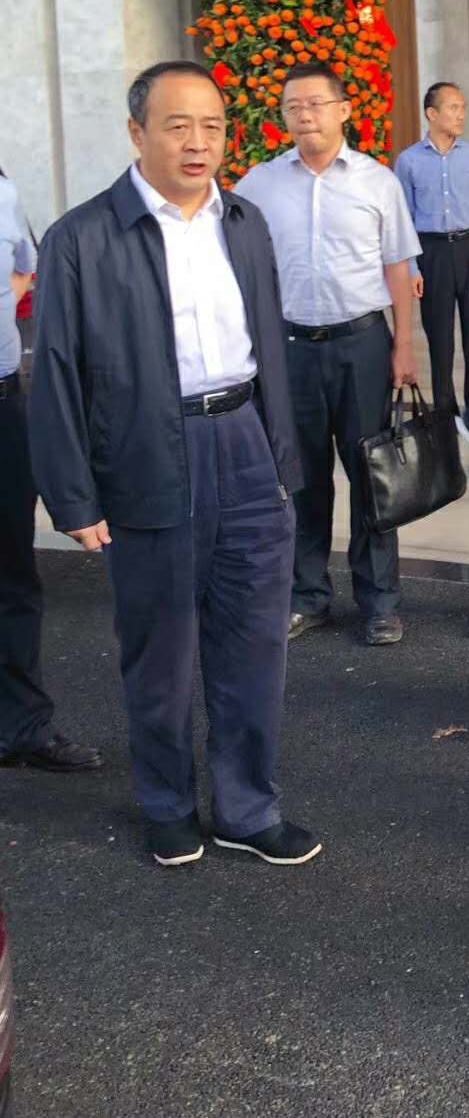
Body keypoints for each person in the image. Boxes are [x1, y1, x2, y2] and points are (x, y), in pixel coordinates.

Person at [29, 61, 320, 868]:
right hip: (147, 451)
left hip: (246, 444)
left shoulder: (245, 222)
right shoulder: (82, 238)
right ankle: (167, 803)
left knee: (254, 645)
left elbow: (270, 348)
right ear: (137, 133)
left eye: (213, 126)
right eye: (178, 125)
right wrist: (73, 496)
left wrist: (281, 459)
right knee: (159, 649)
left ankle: (248, 808)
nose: (199, 143)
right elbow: (55, 373)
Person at [235, 65, 419, 648]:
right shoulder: (259, 184)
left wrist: (404, 346)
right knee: (302, 477)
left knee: (373, 475)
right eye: (293, 106)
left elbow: (398, 268)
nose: (304, 114)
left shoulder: (377, 182)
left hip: (362, 345)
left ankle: (380, 601)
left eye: (315, 103)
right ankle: (307, 596)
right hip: (290, 350)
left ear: (344, 110)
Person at [0, 172, 103, 775]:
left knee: (14, 576)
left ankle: (22, 727)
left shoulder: (4, 191)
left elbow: (24, 268)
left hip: (4, 402)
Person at [394, 82, 469, 466]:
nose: (460, 114)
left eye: (462, 107)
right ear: (432, 113)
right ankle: (444, 420)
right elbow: (403, 220)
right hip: (432, 254)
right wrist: (411, 266)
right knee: (440, 342)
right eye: (453, 107)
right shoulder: (408, 162)